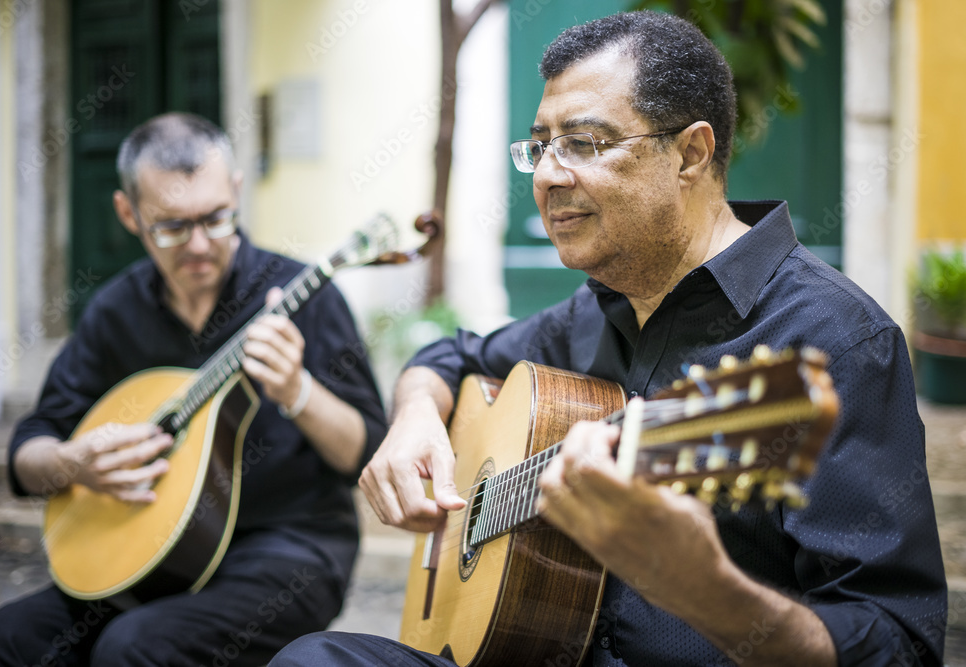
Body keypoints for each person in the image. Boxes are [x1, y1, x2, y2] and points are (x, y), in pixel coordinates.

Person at [269, 10, 948, 667]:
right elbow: (449, 356)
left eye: (584, 143)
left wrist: (713, 593)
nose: (545, 175)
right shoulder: (593, 308)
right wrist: (415, 415)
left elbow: (897, 642)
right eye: (540, 146)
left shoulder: (837, 343)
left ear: (691, 153)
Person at [0, 112, 388, 666]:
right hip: (145, 553)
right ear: (128, 213)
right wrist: (73, 462)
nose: (198, 245)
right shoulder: (116, 312)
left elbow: (369, 451)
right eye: (171, 226)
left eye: (216, 219)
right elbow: (24, 453)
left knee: (133, 649)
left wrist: (297, 391)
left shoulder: (301, 295)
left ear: (237, 192)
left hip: (287, 551)